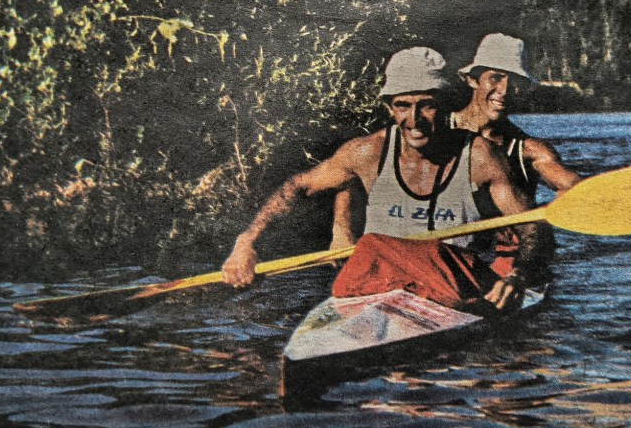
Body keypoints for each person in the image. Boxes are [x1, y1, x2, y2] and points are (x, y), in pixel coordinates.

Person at [221, 47, 545, 312]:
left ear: (443, 104)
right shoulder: (367, 153)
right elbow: (298, 187)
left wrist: (518, 274)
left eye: (426, 106)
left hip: (452, 285)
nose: (414, 120)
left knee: (387, 248)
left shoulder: (480, 157)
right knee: (371, 251)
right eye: (402, 106)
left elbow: (532, 226)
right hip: (377, 282)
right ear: (390, 108)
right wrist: (247, 242)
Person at [330, 34, 580, 274]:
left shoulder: (530, 151)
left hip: (502, 256)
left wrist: (562, 204)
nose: (504, 91)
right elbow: (357, 169)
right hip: (434, 253)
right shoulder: (428, 124)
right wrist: (342, 229)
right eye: (495, 78)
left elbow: (576, 189)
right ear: (472, 80)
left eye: (516, 83)